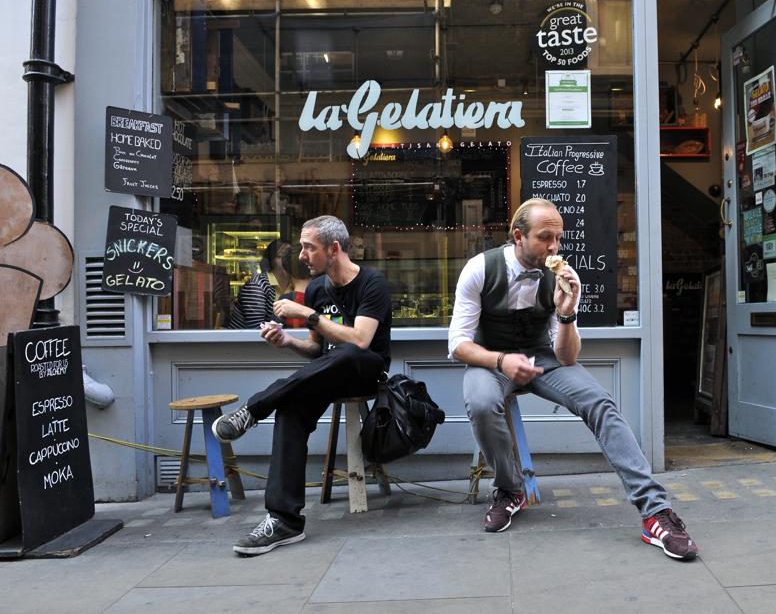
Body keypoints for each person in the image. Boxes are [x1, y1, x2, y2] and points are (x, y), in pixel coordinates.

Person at [448, 198, 698, 561]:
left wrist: (566, 314)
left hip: (543, 357)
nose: (554, 247)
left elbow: (567, 358)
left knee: (600, 402)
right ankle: (509, 490)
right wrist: (501, 360)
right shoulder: (480, 269)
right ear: (518, 236)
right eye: (544, 237)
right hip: (491, 358)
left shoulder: (563, 276)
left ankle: (655, 512)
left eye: (558, 239)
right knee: (482, 402)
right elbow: (458, 345)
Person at [213, 215, 392, 556]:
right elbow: (315, 349)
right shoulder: (316, 289)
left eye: (309, 247)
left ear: (333, 248)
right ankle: (284, 520)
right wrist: (287, 341)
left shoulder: (372, 283)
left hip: (366, 371)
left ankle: (253, 408)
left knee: (349, 352)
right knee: (290, 407)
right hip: (327, 373)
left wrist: (308, 315)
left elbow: (361, 339)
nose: (301, 256)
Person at [227, 238, 296, 329]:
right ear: (271, 260)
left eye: (290, 255)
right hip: (243, 338)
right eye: (282, 255)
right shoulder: (257, 285)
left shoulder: (294, 283)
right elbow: (256, 329)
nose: (287, 260)